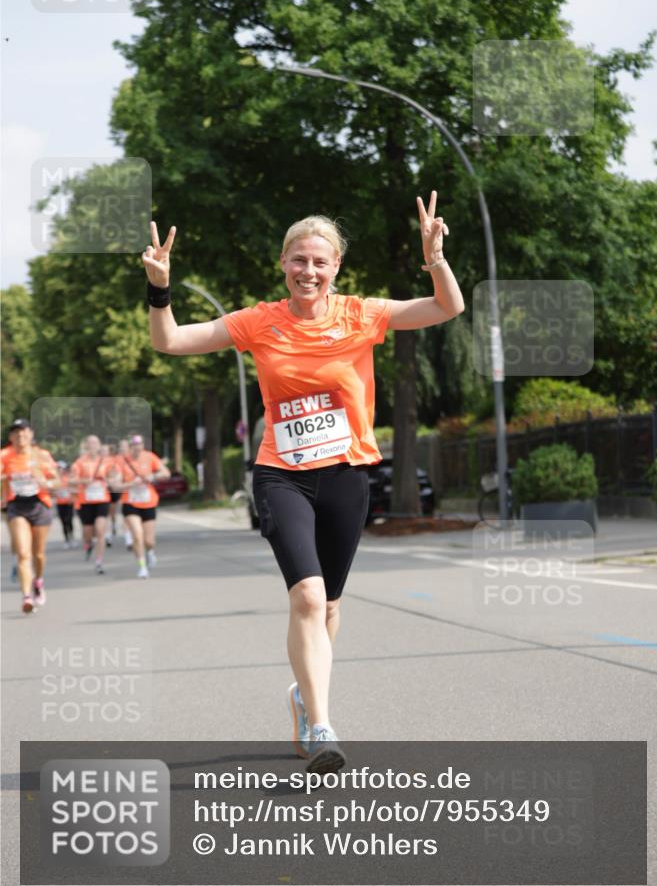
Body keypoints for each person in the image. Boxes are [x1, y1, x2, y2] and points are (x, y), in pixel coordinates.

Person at [142, 192, 464, 774]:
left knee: (330, 604)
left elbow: (447, 308)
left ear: (335, 267)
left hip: (346, 475)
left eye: (319, 261)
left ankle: (301, 695)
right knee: (308, 596)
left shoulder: (363, 314)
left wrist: (435, 257)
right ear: (283, 264)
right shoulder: (257, 322)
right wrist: (160, 288)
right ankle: (321, 724)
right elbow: (169, 341)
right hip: (281, 475)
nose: (308, 271)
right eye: (298, 260)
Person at [0, 418, 58, 612]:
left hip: (39, 505)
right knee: (23, 554)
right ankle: (27, 597)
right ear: (10, 437)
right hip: (17, 507)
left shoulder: (41, 455)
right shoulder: (5, 456)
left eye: (23, 432)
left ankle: (38, 581)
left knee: (38, 555)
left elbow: (57, 481)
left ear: (31, 435)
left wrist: (46, 483)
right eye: (16, 432)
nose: (20, 436)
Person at [111, 434, 170, 578]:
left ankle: (150, 552)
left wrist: (153, 477)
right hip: (130, 502)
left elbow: (166, 473)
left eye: (140, 445)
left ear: (143, 446)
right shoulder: (121, 461)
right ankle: (142, 567)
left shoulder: (150, 457)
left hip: (149, 502)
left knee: (149, 541)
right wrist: (131, 483)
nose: (137, 448)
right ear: (130, 447)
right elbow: (115, 485)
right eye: (134, 445)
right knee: (137, 535)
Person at [68, 435, 115, 574]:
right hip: (85, 501)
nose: (93, 445)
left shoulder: (107, 461)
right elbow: (71, 481)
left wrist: (109, 479)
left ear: (99, 446)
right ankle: (88, 545)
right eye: (90, 443)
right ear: (86, 446)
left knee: (100, 530)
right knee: (87, 534)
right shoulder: (79, 462)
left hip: (102, 500)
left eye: (96, 443)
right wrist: (83, 481)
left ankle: (99, 561)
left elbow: (116, 476)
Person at [54, 460, 75, 547]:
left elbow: (73, 489)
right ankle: (66, 539)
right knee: (63, 521)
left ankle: (72, 537)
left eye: (61, 468)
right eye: (58, 468)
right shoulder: (54, 480)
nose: (59, 470)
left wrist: (72, 497)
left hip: (69, 502)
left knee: (69, 520)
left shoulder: (68, 478)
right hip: (60, 503)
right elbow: (52, 491)